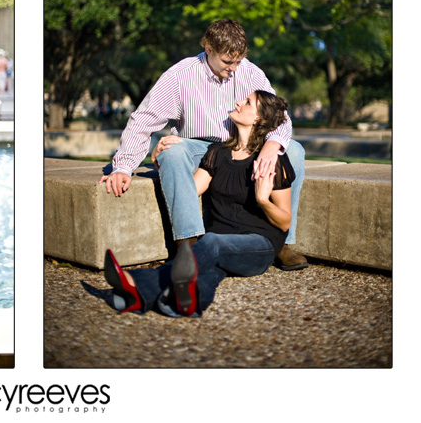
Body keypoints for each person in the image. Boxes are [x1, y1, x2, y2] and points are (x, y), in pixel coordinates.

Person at [99, 19, 307, 270]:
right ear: (208, 49)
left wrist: (272, 145)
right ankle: (187, 243)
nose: (233, 68)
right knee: (171, 152)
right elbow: (144, 119)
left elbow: (280, 117)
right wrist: (123, 167)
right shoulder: (180, 75)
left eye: (238, 61)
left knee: (293, 149)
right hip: (198, 149)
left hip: (243, 146)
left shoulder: (249, 72)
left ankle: (283, 243)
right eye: (227, 62)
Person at [105, 90, 295, 318]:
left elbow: (284, 222)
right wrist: (158, 161)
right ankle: (185, 302)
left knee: (211, 242)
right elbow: (190, 190)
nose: (238, 102)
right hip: (216, 247)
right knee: (208, 273)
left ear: (258, 118)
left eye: (247, 102)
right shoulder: (218, 153)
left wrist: (263, 200)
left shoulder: (271, 162)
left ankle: (135, 282)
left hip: (258, 246)